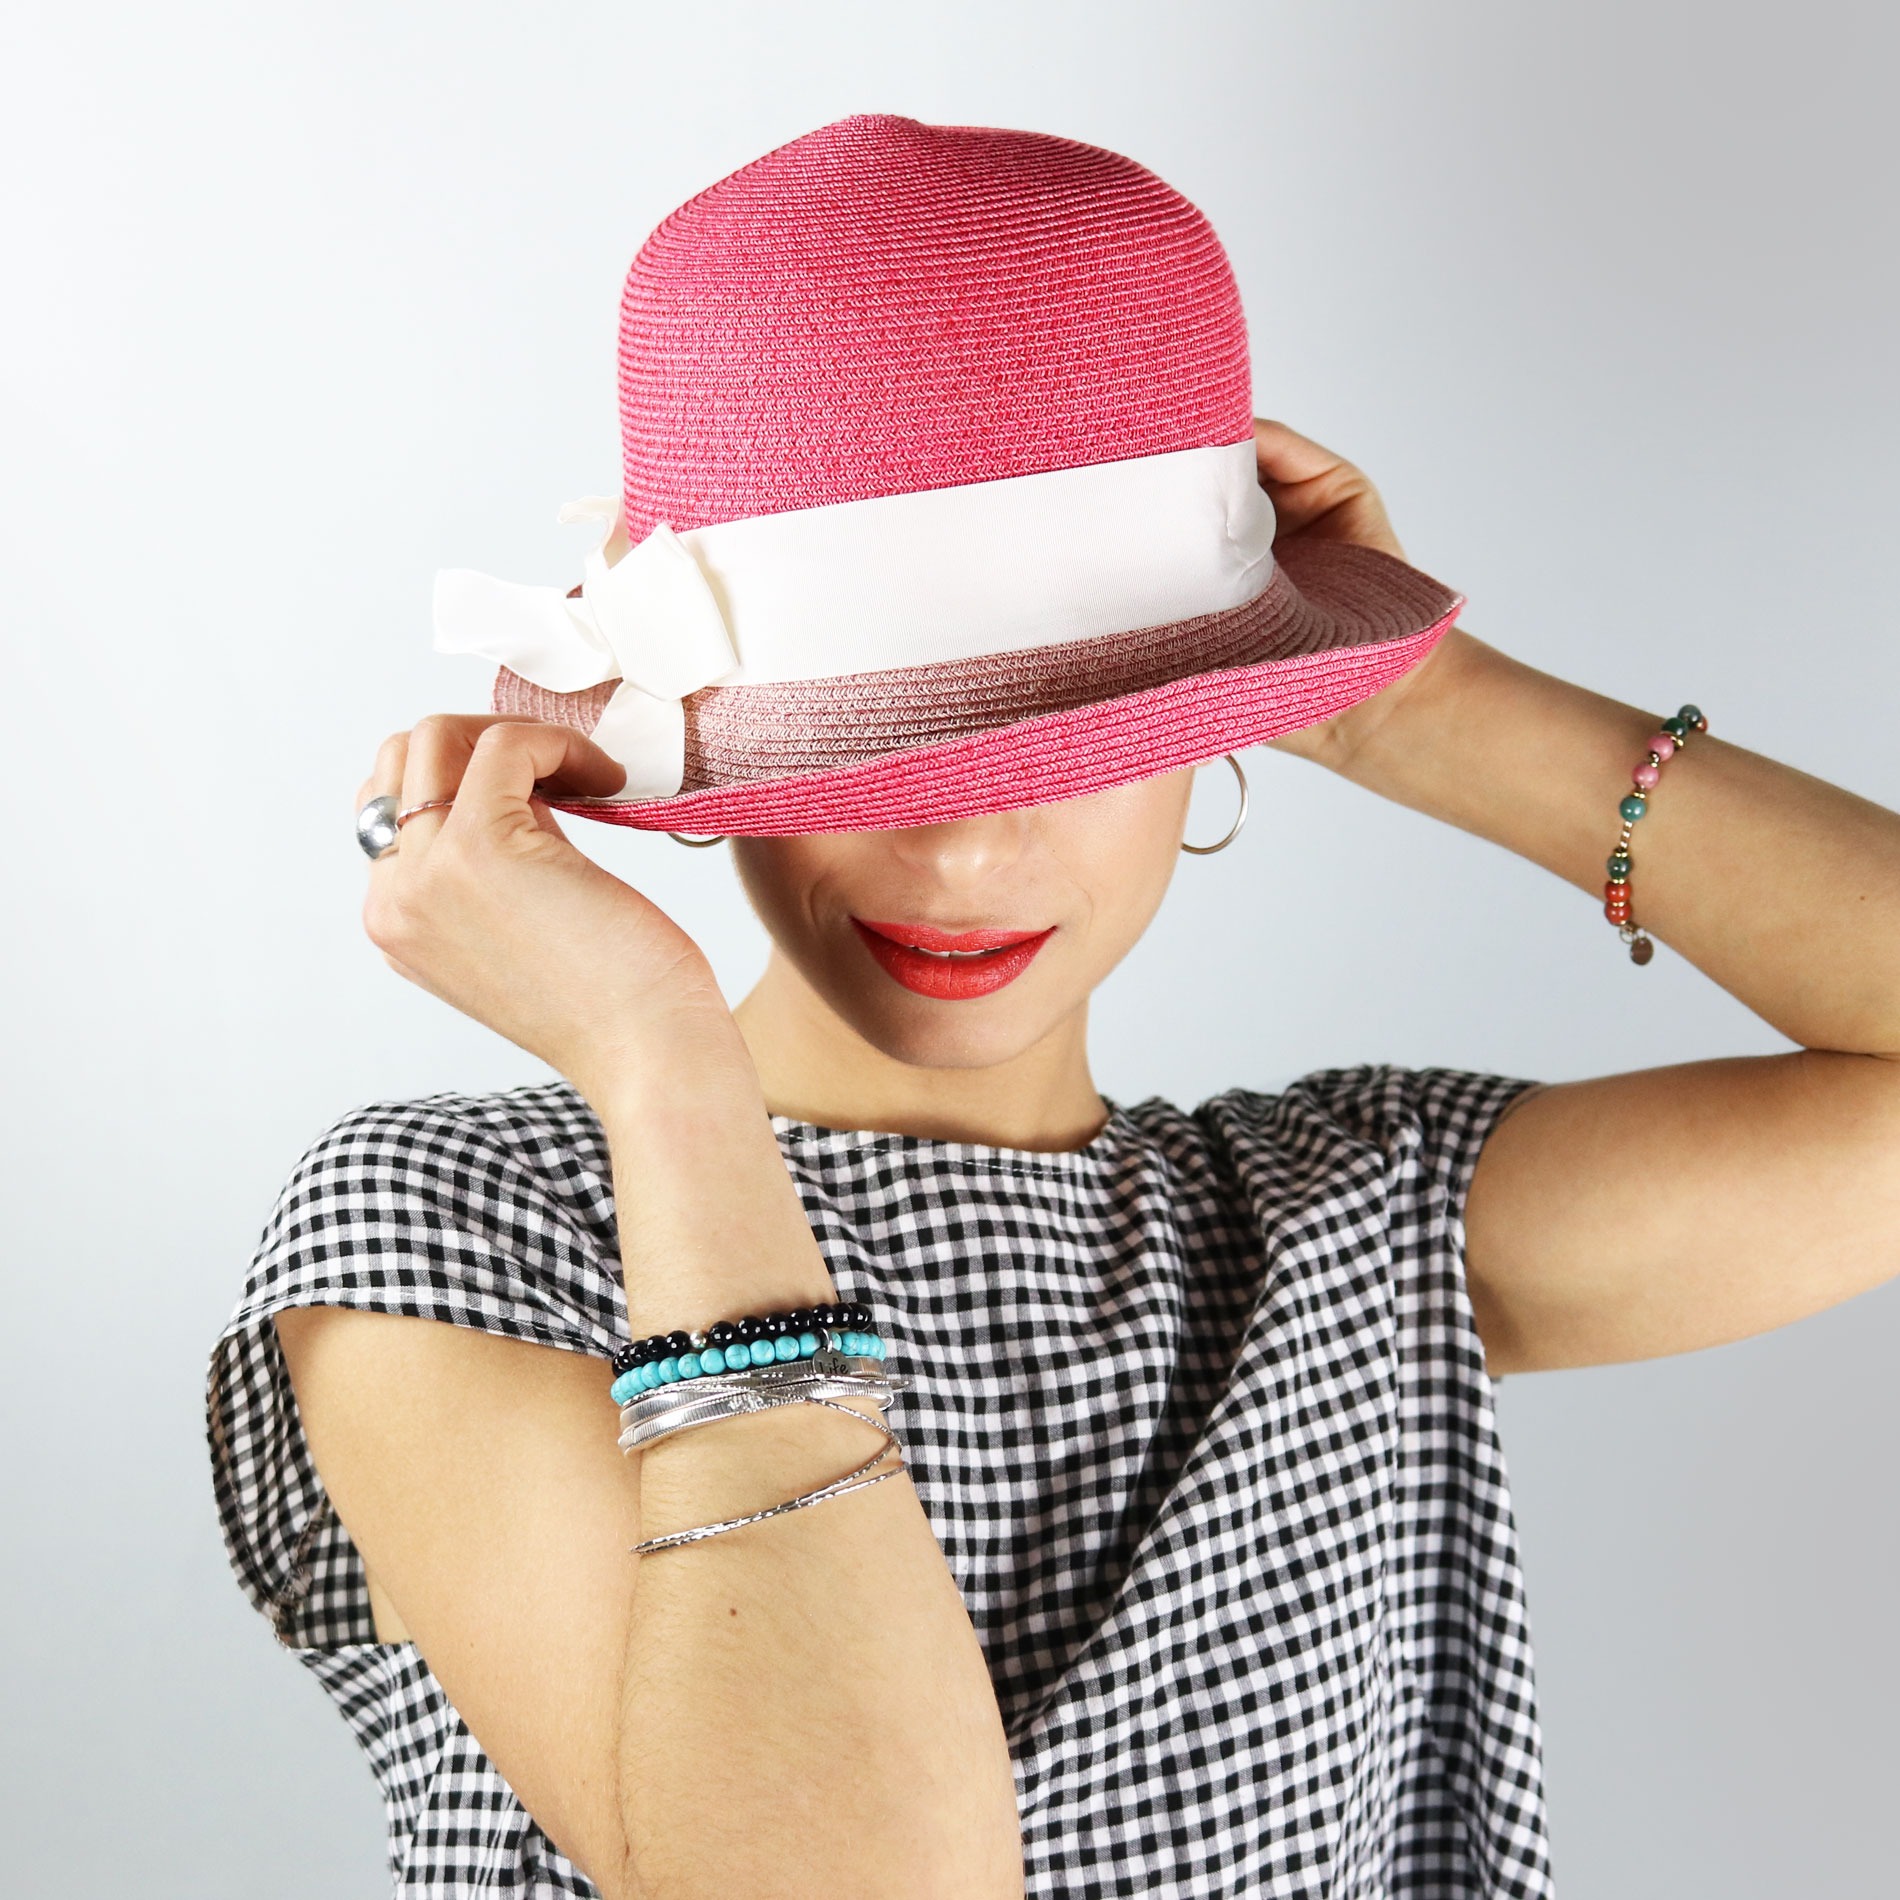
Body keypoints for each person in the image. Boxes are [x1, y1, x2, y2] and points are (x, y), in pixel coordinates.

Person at [204, 115, 1900, 1899]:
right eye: (876, 737)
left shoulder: (1350, 1223)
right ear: (720, 757)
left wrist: (1398, 694)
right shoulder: (452, 1226)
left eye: (1081, 744)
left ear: (1203, 736)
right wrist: (656, 1062)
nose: (962, 844)